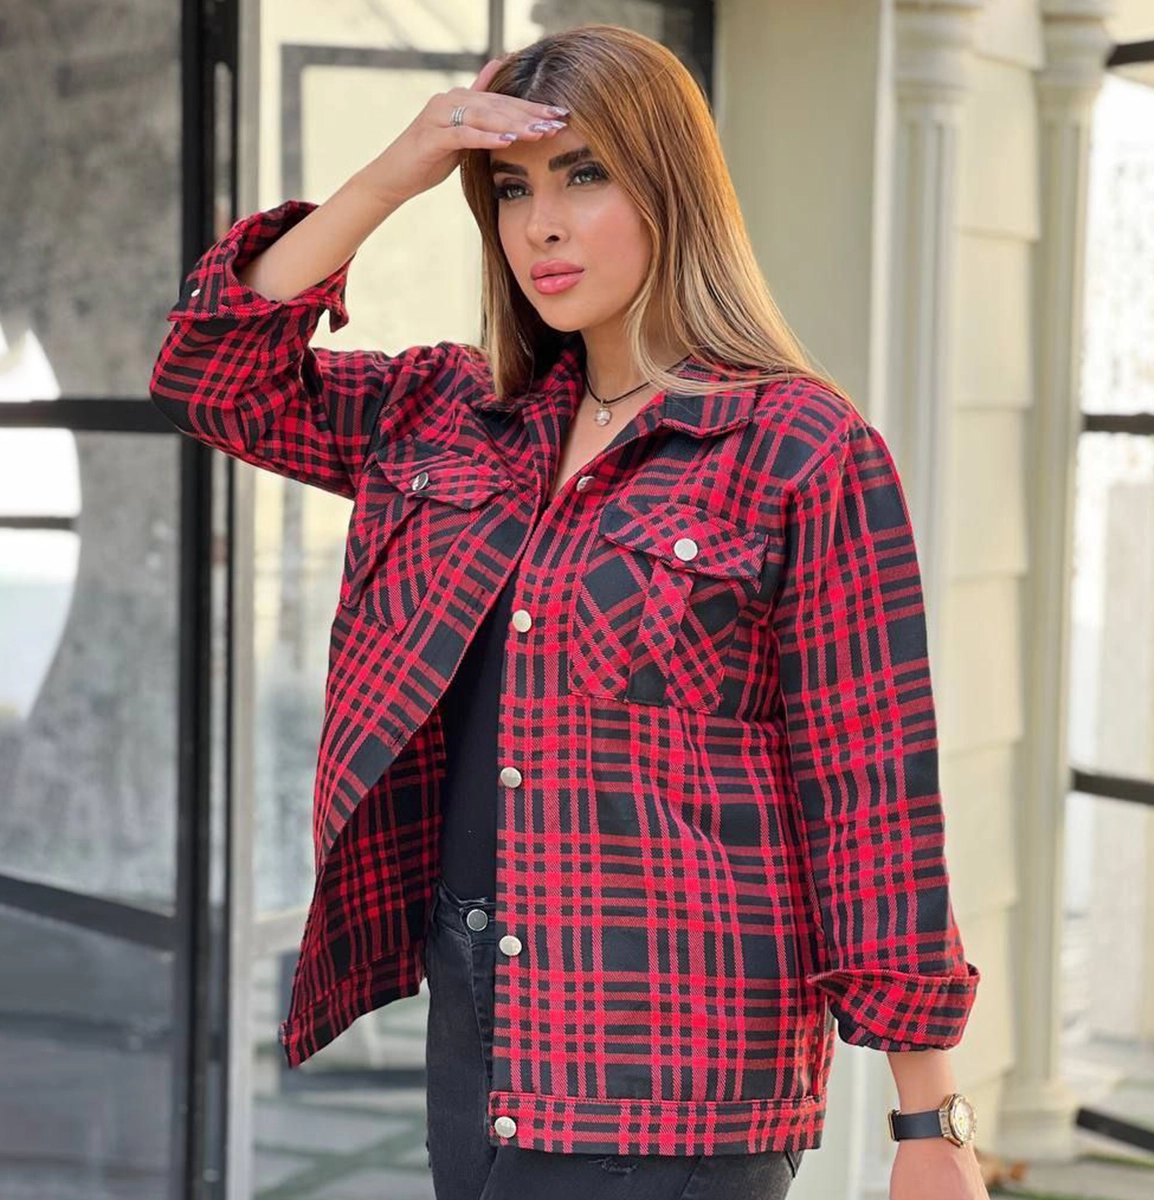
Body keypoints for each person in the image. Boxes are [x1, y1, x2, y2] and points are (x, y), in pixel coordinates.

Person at [149, 23, 985, 1200]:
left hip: (676, 1066)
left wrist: (929, 1122)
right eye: (511, 188)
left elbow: (872, 790)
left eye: (583, 175)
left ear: (671, 189)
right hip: (478, 1026)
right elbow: (212, 380)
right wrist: (396, 170)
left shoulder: (800, 447)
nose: (540, 224)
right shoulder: (451, 415)